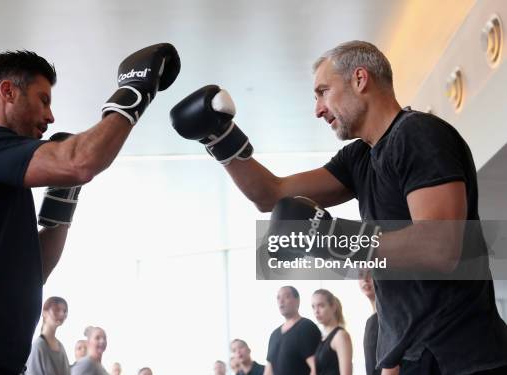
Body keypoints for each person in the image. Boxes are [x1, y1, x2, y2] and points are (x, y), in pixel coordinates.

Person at [170, 40, 507, 374]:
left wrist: (334, 240)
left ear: (360, 79)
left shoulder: (418, 135)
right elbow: (271, 195)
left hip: (464, 356)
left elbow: (440, 245)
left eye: (323, 91)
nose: (318, 109)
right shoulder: (359, 157)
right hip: (413, 358)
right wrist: (219, 137)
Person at [0, 44, 180, 375]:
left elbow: (37, 270)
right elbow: (81, 161)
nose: (50, 117)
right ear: (8, 91)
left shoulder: (2, 175)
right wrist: (136, 89)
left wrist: (63, 198)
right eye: (43, 100)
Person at [265, 286, 321, 375]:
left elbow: (316, 368)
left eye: (286, 296)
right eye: (278, 298)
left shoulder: (306, 327)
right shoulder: (274, 335)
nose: (281, 301)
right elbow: (268, 371)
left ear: (297, 301)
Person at [359, 272, 399, 375]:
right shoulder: (370, 321)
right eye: (360, 274)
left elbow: (393, 363)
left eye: (370, 273)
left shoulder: (392, 315)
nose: (365, 279)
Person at [25, 296, 71, 375]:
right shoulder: (38, 346)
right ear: (44, 312)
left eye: (64, 311)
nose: (62, 314)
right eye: (57, 310)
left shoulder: (61, 347)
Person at [311, 289, 352, 375]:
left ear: (333, 307)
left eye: (321, 306)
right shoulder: (321, 338)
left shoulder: (340, 336)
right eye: (313, 307)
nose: (316, 311)